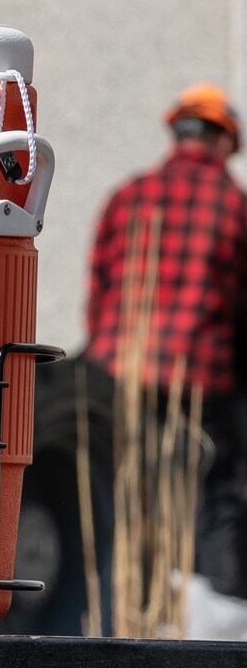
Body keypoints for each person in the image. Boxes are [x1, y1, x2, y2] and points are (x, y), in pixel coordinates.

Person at [85, 81, 247, 601]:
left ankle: (133, 610)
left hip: (123, 374)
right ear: (222, 141)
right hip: (206, 381)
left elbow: (98, 295)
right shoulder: (235, 207)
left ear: (177, 133)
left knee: (132, 494)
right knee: (215, 498)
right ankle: (217, 630)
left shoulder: (128, 197)